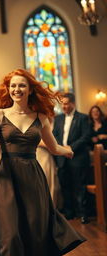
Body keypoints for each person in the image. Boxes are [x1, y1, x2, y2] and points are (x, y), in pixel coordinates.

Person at [0, 69, 85, 256]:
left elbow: (53, 147)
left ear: (30, 90)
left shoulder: (40, 117)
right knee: (9, 234)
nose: (17, 89)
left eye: (21, 85)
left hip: (33, 176)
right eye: (13, 86)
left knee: (36, 230)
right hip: (7, 175)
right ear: (8, 89)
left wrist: (67, 150)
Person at [53, 93, 91, 224]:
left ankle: (83, 214)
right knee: (65, 186)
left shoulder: (83, 118)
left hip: (78, 158)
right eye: (62, 103)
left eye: (66, 103)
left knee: (79, 187)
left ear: (73, 103)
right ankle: (69, 213)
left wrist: (70, 148)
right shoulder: (58, 119)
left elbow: (86, 137)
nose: (63, 106)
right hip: (62, 158)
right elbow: (55, 136)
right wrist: (61, 150)